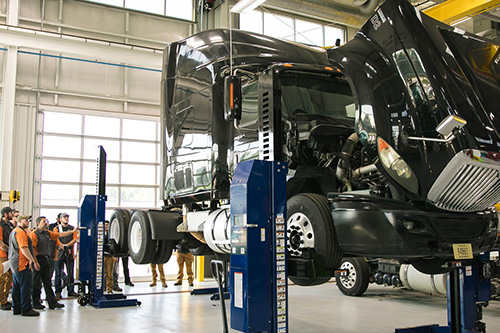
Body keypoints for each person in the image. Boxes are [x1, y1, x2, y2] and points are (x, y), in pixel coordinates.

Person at [30, 216, 76, 310]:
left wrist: (72, 232)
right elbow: (32, 250)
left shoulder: (48, 233)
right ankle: (35, 302)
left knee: (47, 282)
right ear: (38, 223)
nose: (46, 223)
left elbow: (60, 235)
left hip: (46, 259)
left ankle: (52, 302)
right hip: (37, 259)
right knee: (35, 282)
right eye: (43, 221)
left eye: (46, 221)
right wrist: (35, 262)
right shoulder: (34, 234)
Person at [9, 215, 40, 316]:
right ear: (19, 221)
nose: (28, 222)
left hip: (15, 263)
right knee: (25, 287)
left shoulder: (14, 231)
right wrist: (33, 260)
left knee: (17, 287)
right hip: (21, 263)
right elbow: (23, 248)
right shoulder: (21, 232)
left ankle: (17, 307)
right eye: (26, 220)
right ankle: (26, 309)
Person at [54, 213, 78, 299]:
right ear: (60, 219)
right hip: (59, 253)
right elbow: (56, 238)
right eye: (64, 217)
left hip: (70, 253)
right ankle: (58, 291)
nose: (66, 219)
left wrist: (67, 246)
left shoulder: (72, 228)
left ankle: (71, 290)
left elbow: (75, 239)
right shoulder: (56, 229)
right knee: (57, 273)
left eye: (67, 217)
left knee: (70, 272)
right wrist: (62, 246)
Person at [0, 206, 15, 310]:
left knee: (9, 278)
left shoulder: (9, 225)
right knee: (2, 278)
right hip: (2, 255)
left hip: (9, 255)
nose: (12, 215)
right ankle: (1, 301)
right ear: (5, 214)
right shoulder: (0, 225)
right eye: (10, 213)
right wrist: (10, 249)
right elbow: (0, 243)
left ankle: (5, 299)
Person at [103, 221, 117, 294]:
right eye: (105, 225)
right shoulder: (100, 234)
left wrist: (115, 256)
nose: (106, 226)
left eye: (107, 225)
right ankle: (102, 289)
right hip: (102, 255)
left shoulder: (111, 234)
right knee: (102, 273)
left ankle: (110, 289)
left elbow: (114, 245)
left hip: (109, 255)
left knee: (109, 273)